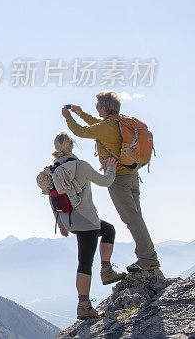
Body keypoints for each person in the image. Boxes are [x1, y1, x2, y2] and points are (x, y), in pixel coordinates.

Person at [63, 91, 160, 272]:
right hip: (131, 175)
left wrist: (68, 117)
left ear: (105, 108)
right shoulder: (118, 122)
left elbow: (80, 131)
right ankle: (145, 255)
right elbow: (96, 124)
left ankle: (148, 258)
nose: (96, 107)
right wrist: (80, 113)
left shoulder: (107, 127)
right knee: (136, 217)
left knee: (131, 219)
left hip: (118, 179)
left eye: (98, 105)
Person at [39, 131, 125, 320]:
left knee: (108, 230)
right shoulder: (80, 166)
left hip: (70, 222)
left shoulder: (51, 171)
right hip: (88, 221)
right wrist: (110, 168)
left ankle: (106, 271)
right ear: (71, 146)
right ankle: (84, 305)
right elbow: (106, 181)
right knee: (85, 263)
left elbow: (53, 200)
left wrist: (61, 223)